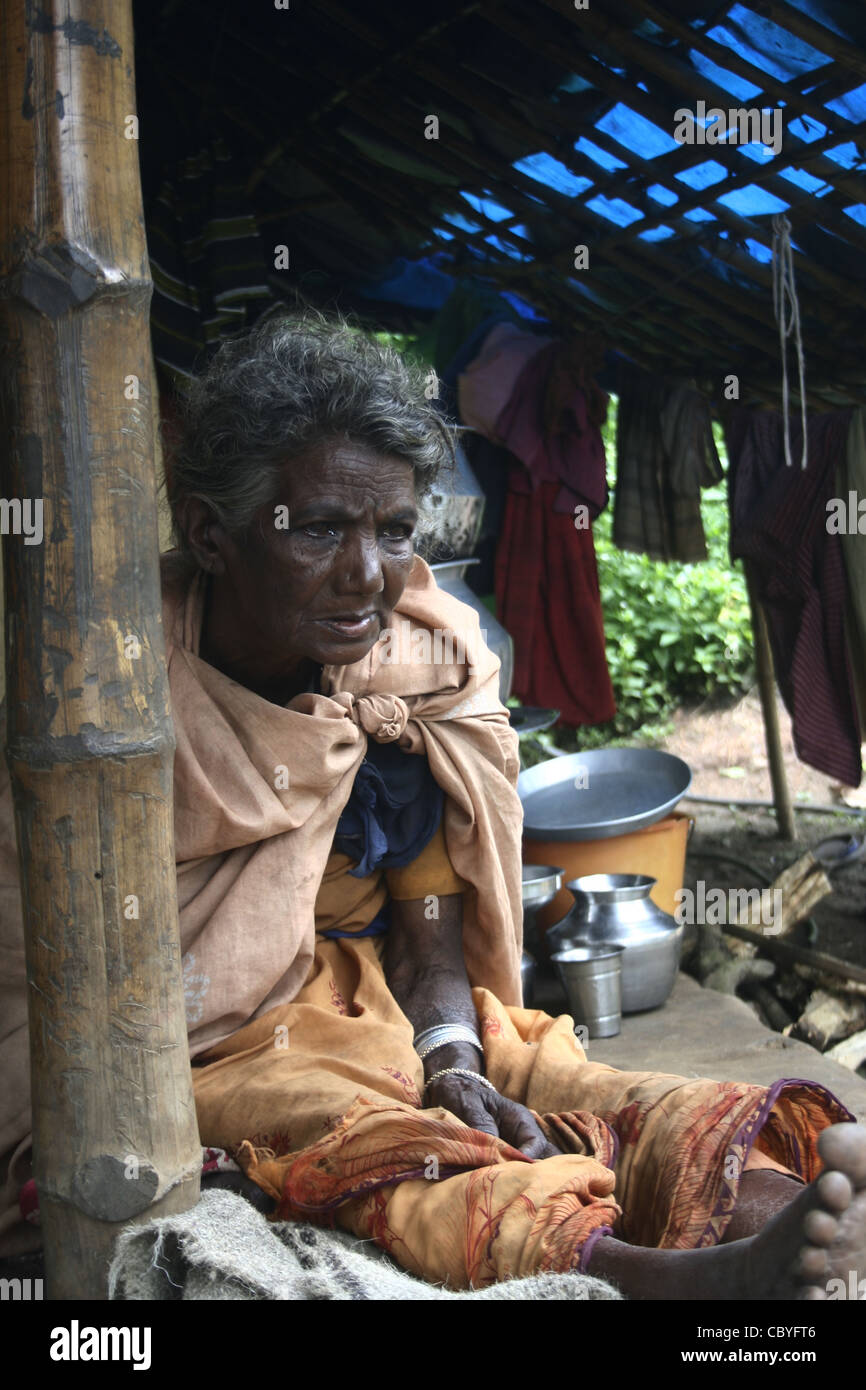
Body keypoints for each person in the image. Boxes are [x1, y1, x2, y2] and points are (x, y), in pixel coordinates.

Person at [1, 313, 864, 1298]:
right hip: (187, 1045)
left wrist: (449, 1053)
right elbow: (58, 974)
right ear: (210, 531)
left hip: (370, 995)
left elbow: (427, 930)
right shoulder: (104, 692)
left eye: (394, 531)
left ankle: (767, 1213)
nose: (370, 575)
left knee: (561, 1079)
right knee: (364, 1134)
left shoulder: (414, 669)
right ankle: (637, 1276)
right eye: (321, 528)